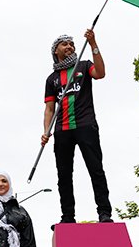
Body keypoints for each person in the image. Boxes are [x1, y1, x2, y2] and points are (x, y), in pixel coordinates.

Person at [41, 29, 112, 224]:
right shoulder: (52, 79)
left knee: (95, 169)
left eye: (71, 44)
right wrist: (46, 131)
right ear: (56, 50)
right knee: (64, 175)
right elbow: (49, 109)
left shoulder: (84, 65)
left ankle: (104, 214)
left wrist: (93, 44)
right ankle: (67, 217)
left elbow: (101, 73)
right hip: (62, 130)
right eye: (64, 44)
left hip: (86, 125)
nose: (70, 47)